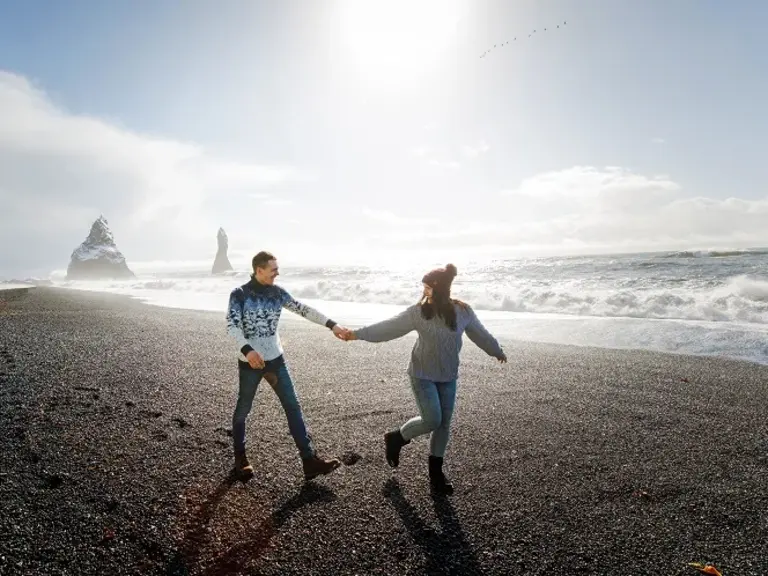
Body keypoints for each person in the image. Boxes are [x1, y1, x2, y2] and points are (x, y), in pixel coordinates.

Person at [342, 263, 506, 495]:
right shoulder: (418, 312)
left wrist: (496, 350)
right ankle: (397, 438)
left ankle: (436, 474)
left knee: (444, 424)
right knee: (432, 420)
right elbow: (389, 328)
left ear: (441, 289)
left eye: (428, 289)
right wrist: (357, 334)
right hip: (422, 374)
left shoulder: (463, 311)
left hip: (448, 375)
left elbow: (480, 333)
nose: (424, 292)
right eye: (424, 288)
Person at [226, 251, 350, 481]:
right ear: (258, 269)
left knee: (293, 406)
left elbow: (302, 309)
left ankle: (309, 461)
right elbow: (231, 326)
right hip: (250, 363)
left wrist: (332, 324)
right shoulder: (240, 294)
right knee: (244, 408)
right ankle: (240, 458)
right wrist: (247, 350)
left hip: (275, 359)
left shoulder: (277, 293)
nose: (277, 273)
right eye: (273, 269)